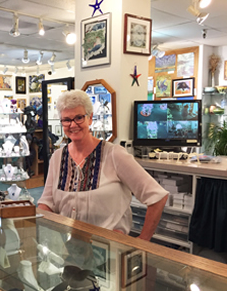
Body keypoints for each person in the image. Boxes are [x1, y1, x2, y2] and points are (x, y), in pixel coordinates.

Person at [37, 89, 168, 241]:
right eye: (66, 120)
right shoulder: (57, 157)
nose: (73, 125)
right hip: (69, 249)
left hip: (110, 250)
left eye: (79, 117)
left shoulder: (114, 154)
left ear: (90, 118)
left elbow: (157, 197)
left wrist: (142, 241)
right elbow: (47, 203)